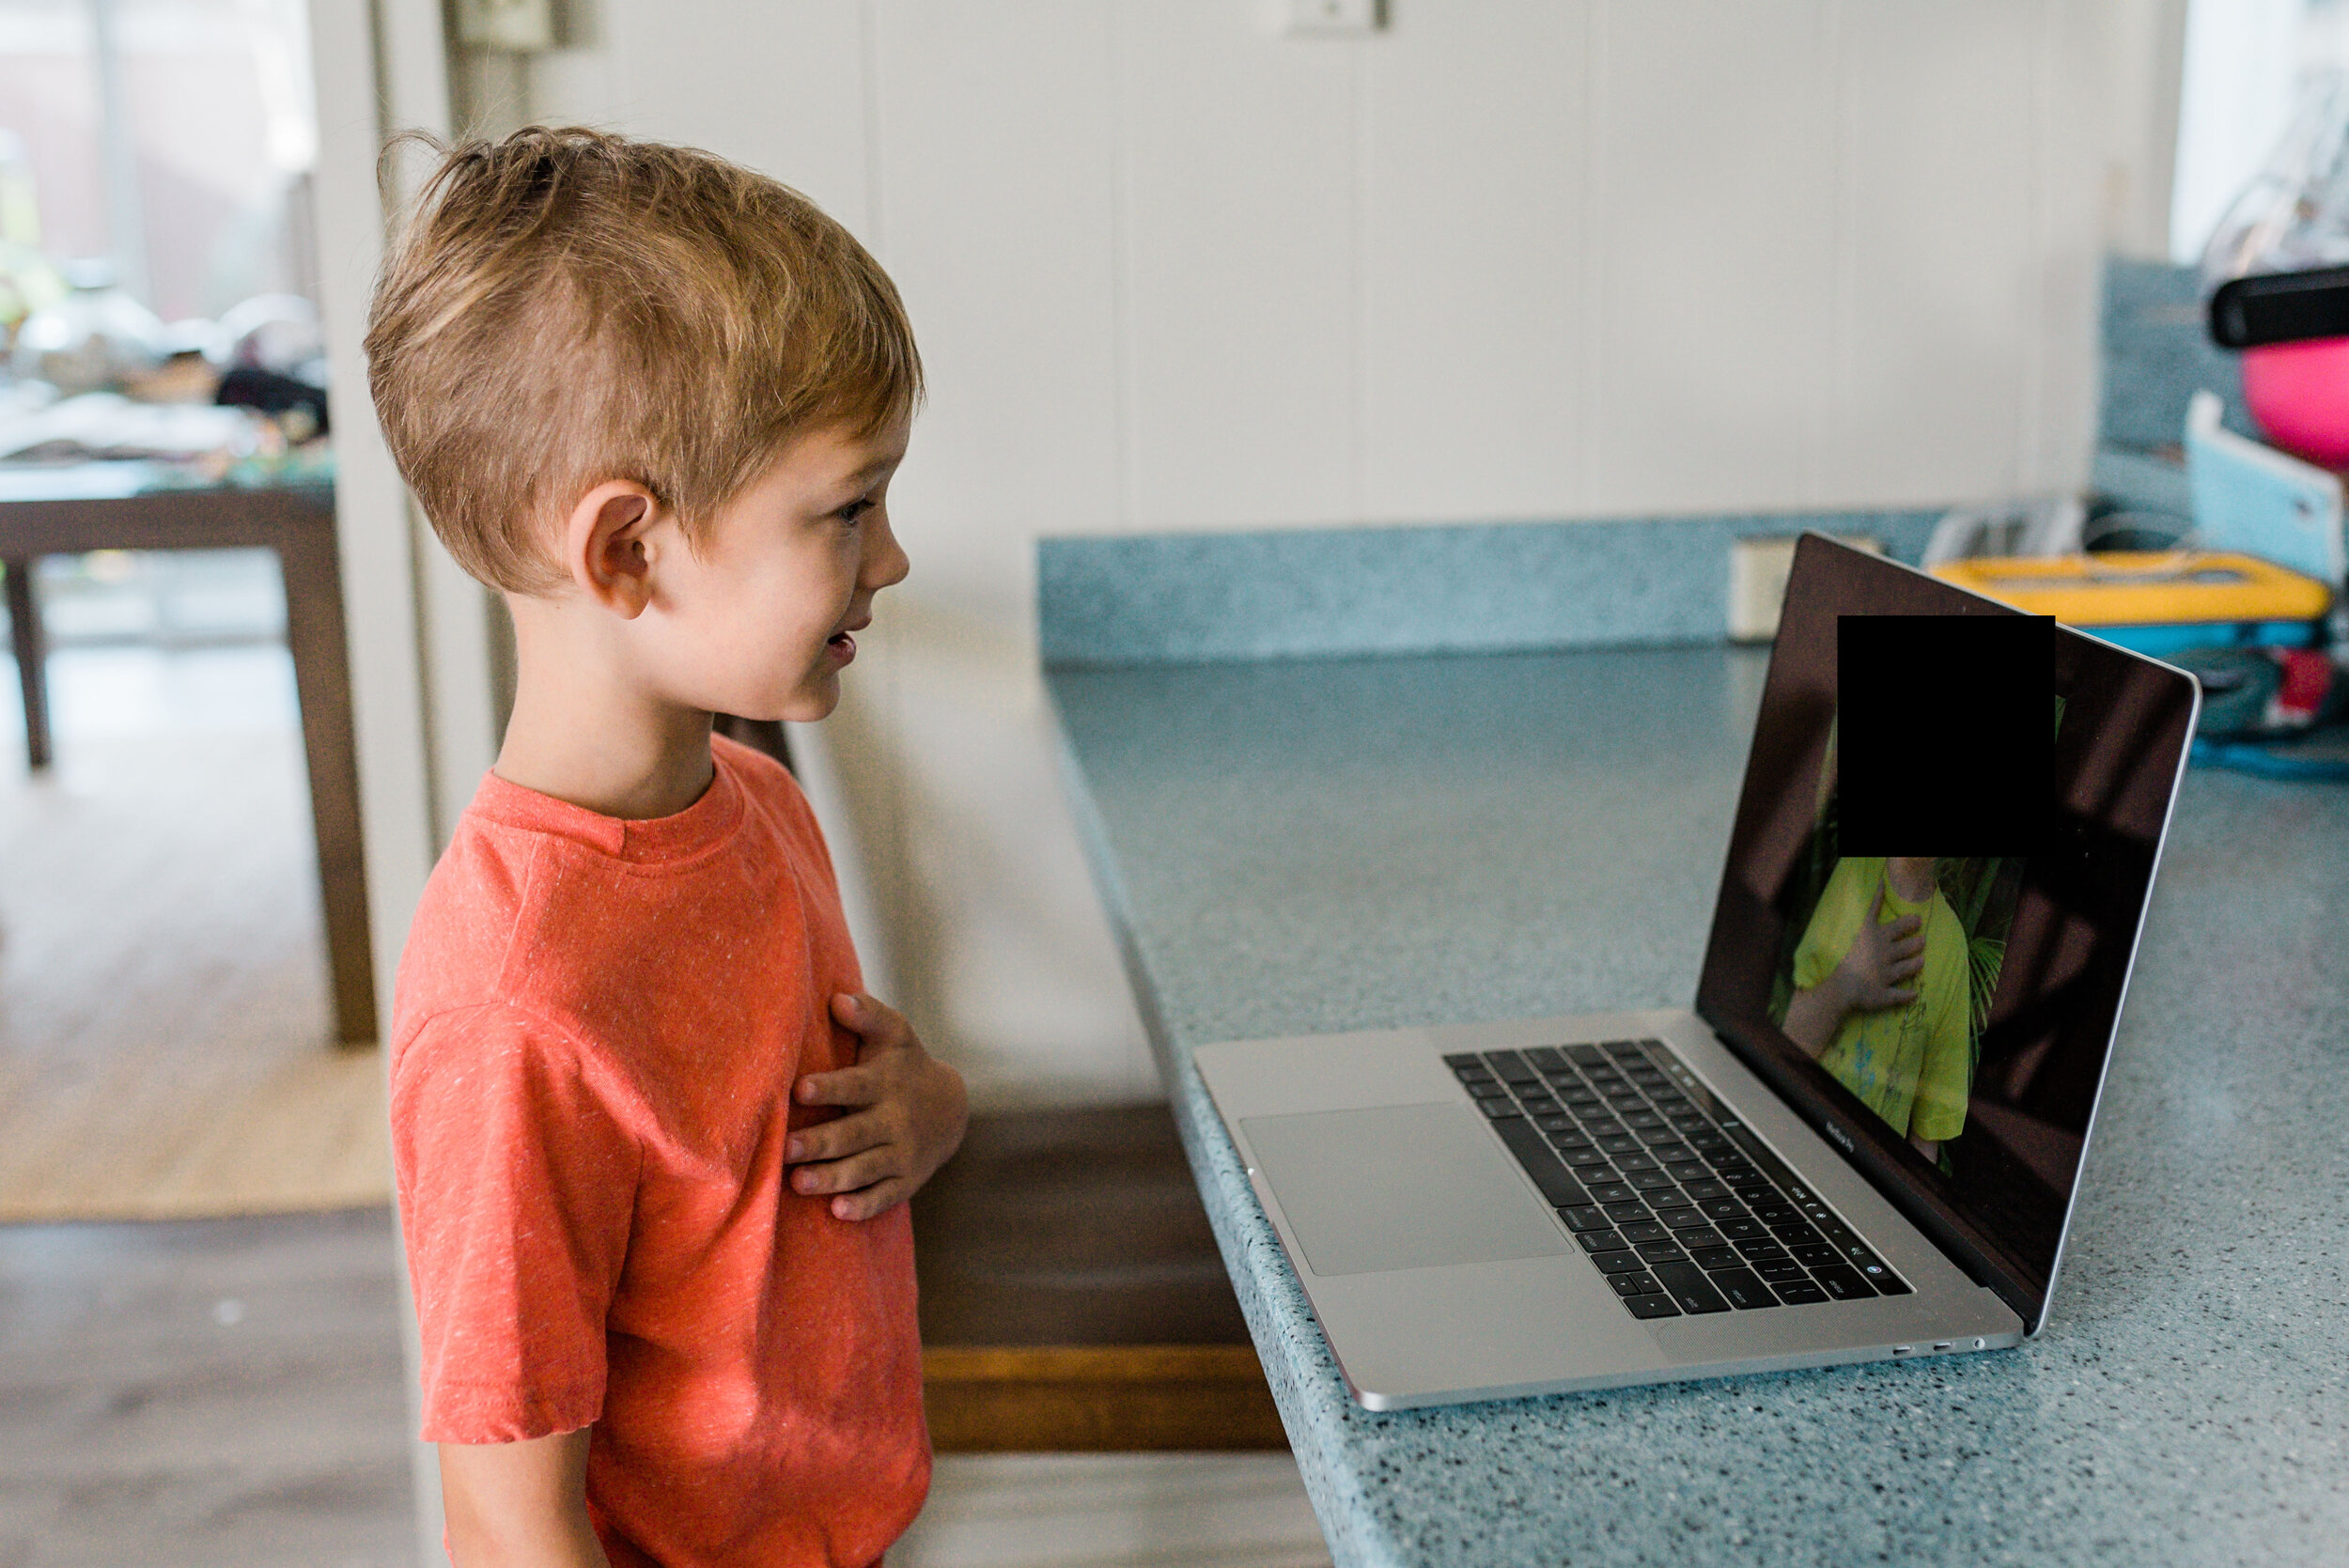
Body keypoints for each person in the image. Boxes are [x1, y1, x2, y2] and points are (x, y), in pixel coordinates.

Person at [366, 128, 968, 1568]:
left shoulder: (757, 809)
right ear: (626, 549)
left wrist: (928, 1108)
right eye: (847, 507)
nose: (890, 559)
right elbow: (509, 1524)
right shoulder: (516, 1008)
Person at [1779, 855, 1970, 1158]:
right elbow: (1787, 1045)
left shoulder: (1954, 948)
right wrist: (1847, 983)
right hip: (1792, 1136)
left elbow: (1926, 1138)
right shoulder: (1853, 871)